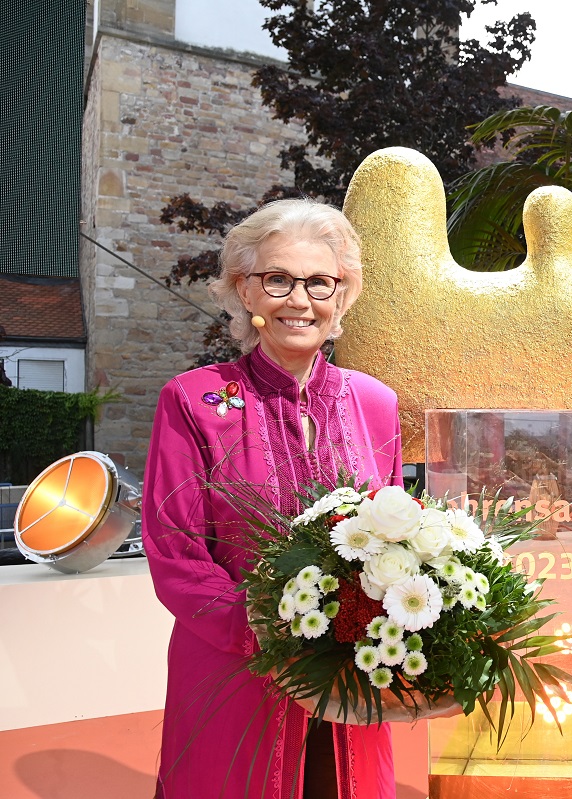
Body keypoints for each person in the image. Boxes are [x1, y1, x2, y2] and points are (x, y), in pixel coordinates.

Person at [143, 199, 403, 798]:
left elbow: (396, 542)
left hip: (352, 684)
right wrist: (272, 632)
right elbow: (176, 554)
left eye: (320, 282)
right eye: (278, 280)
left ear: (342, 297)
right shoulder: (194, 402)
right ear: (245, 291)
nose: (300, 300)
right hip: (234, 676)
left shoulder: (375, 403)